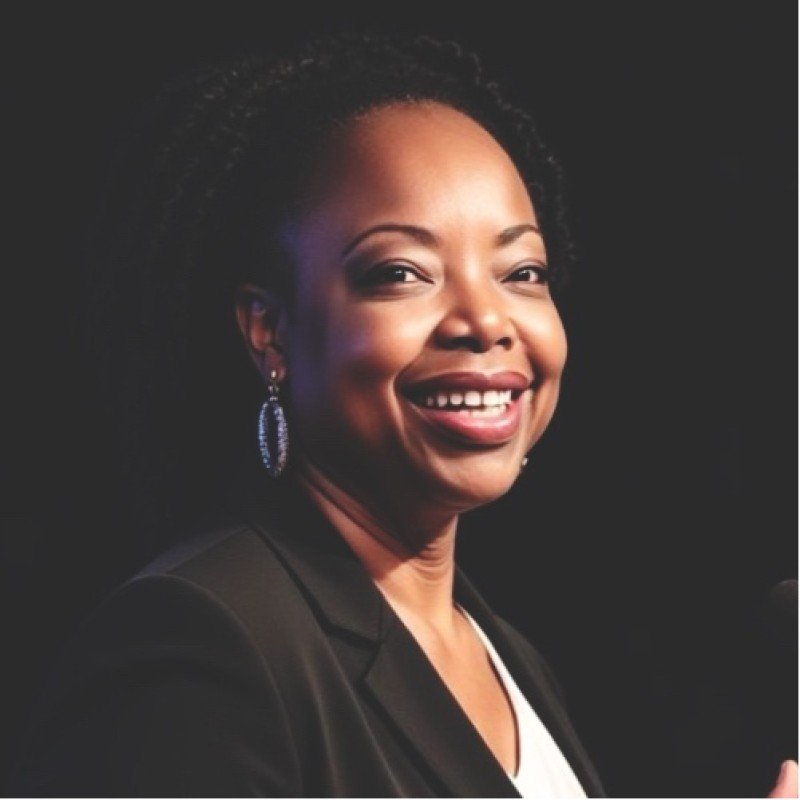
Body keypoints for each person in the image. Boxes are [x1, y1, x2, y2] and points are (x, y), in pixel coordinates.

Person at [7, 31, 795, 799]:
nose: (486, 321)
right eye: (401, 273)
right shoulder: (201, 646)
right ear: (268, 331)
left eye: (522, 270)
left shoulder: (501, 651)